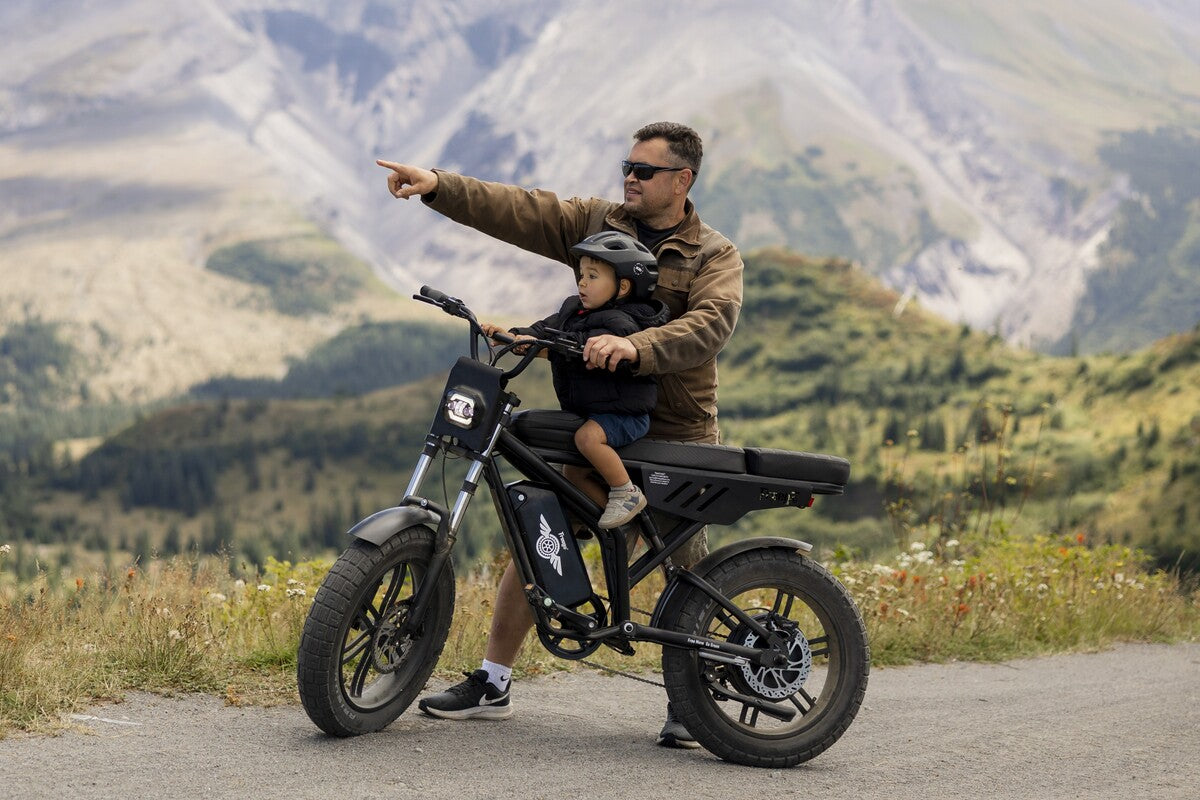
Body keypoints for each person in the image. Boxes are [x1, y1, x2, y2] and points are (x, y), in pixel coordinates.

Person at [377, 121, 744, 747]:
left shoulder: (714, 255)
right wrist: (440, 187)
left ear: (682, 180)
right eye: (626, 166)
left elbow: (711, 325)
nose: (630, 177)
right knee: (542, 534)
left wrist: (634, 345)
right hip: (597, 424)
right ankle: (493, 681)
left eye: (645, 170)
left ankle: (696, 699)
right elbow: (524, 211)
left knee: (686, 567)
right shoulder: (603, 223)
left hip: (675, 430)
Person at [482, 231, 670, 528]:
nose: (582, 282)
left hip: (625, 414)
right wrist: (516, 336)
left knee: (586, 439)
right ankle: (606, 522)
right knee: (573, 472)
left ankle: (626, 493)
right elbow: (546, 329)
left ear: (622, 287)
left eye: (593, 276)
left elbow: (584, 344)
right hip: (595, 410)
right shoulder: (574, 310)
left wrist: (555, 345)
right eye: (581, 274)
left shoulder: (621, 324)